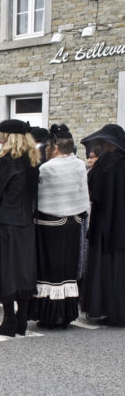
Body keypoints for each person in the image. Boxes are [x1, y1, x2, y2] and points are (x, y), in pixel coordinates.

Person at [26, 124, 89, 328]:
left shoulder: (48, 168)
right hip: (74, 223)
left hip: (50, 225)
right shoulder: (80, 165)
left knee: (50, 272)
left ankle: (50, 315)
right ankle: (66, 313)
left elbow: (38, 197)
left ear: (54, 148)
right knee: (67, 271)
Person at [0, 120, 40, 337]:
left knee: (8, 271)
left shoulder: (8, 161)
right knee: (24, 270)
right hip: (26, 221)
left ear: (11, 138)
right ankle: (22, 319)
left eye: (2, 135)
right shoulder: (32, 161)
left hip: (7, 221)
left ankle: (9, 320)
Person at [80, 124, 125, 326]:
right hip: (121, 224)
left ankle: (105, 307)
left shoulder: (104, 165)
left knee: (105, 269)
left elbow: (94, 192)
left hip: (105, 224)